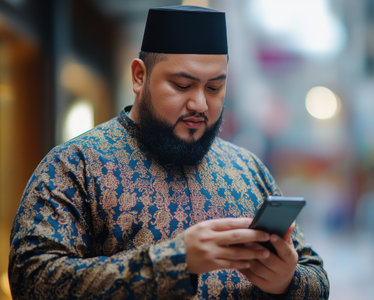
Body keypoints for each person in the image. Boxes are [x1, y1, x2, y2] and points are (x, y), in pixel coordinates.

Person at [9, 5, 329, 299]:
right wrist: (176, 261)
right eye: (182, 85)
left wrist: (288, 281)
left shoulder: (248, 171)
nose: (200, 104)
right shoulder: (76, 165)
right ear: (139, 77)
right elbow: (31, 279)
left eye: (214, 87)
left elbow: (317, 276)